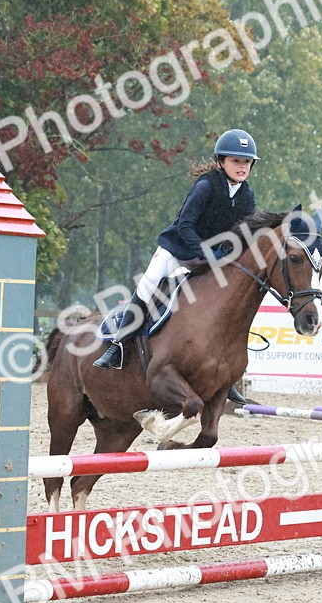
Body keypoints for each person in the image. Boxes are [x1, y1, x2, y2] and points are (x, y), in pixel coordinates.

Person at [94, 128, 260, 404]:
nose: (242, 167)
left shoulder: (247, 196)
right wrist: (206, 254)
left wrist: (230, 254)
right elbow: (185, 225)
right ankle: (117, 345)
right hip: (179, 250)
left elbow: (242, 234)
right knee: (148, 287)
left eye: (246, 162)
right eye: (236, 161)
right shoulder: (206, 186)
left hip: (213, 257)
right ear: (221, 162)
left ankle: (225, 375)